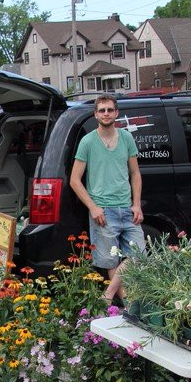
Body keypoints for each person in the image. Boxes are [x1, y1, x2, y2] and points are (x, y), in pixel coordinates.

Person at [69, 94, 145, 306]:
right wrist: (93, 207)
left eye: (110, 110)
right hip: (103, 210)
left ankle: (108, 295)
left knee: (139, 254)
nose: (106, 113)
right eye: (102, 110)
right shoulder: (88, 141)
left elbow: (135, 173)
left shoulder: (126, 138)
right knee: (111, 261)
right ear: (96, 114)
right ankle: (130, 306)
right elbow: (74, 180)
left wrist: (137, 204)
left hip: (127, 208)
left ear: (116, 113)